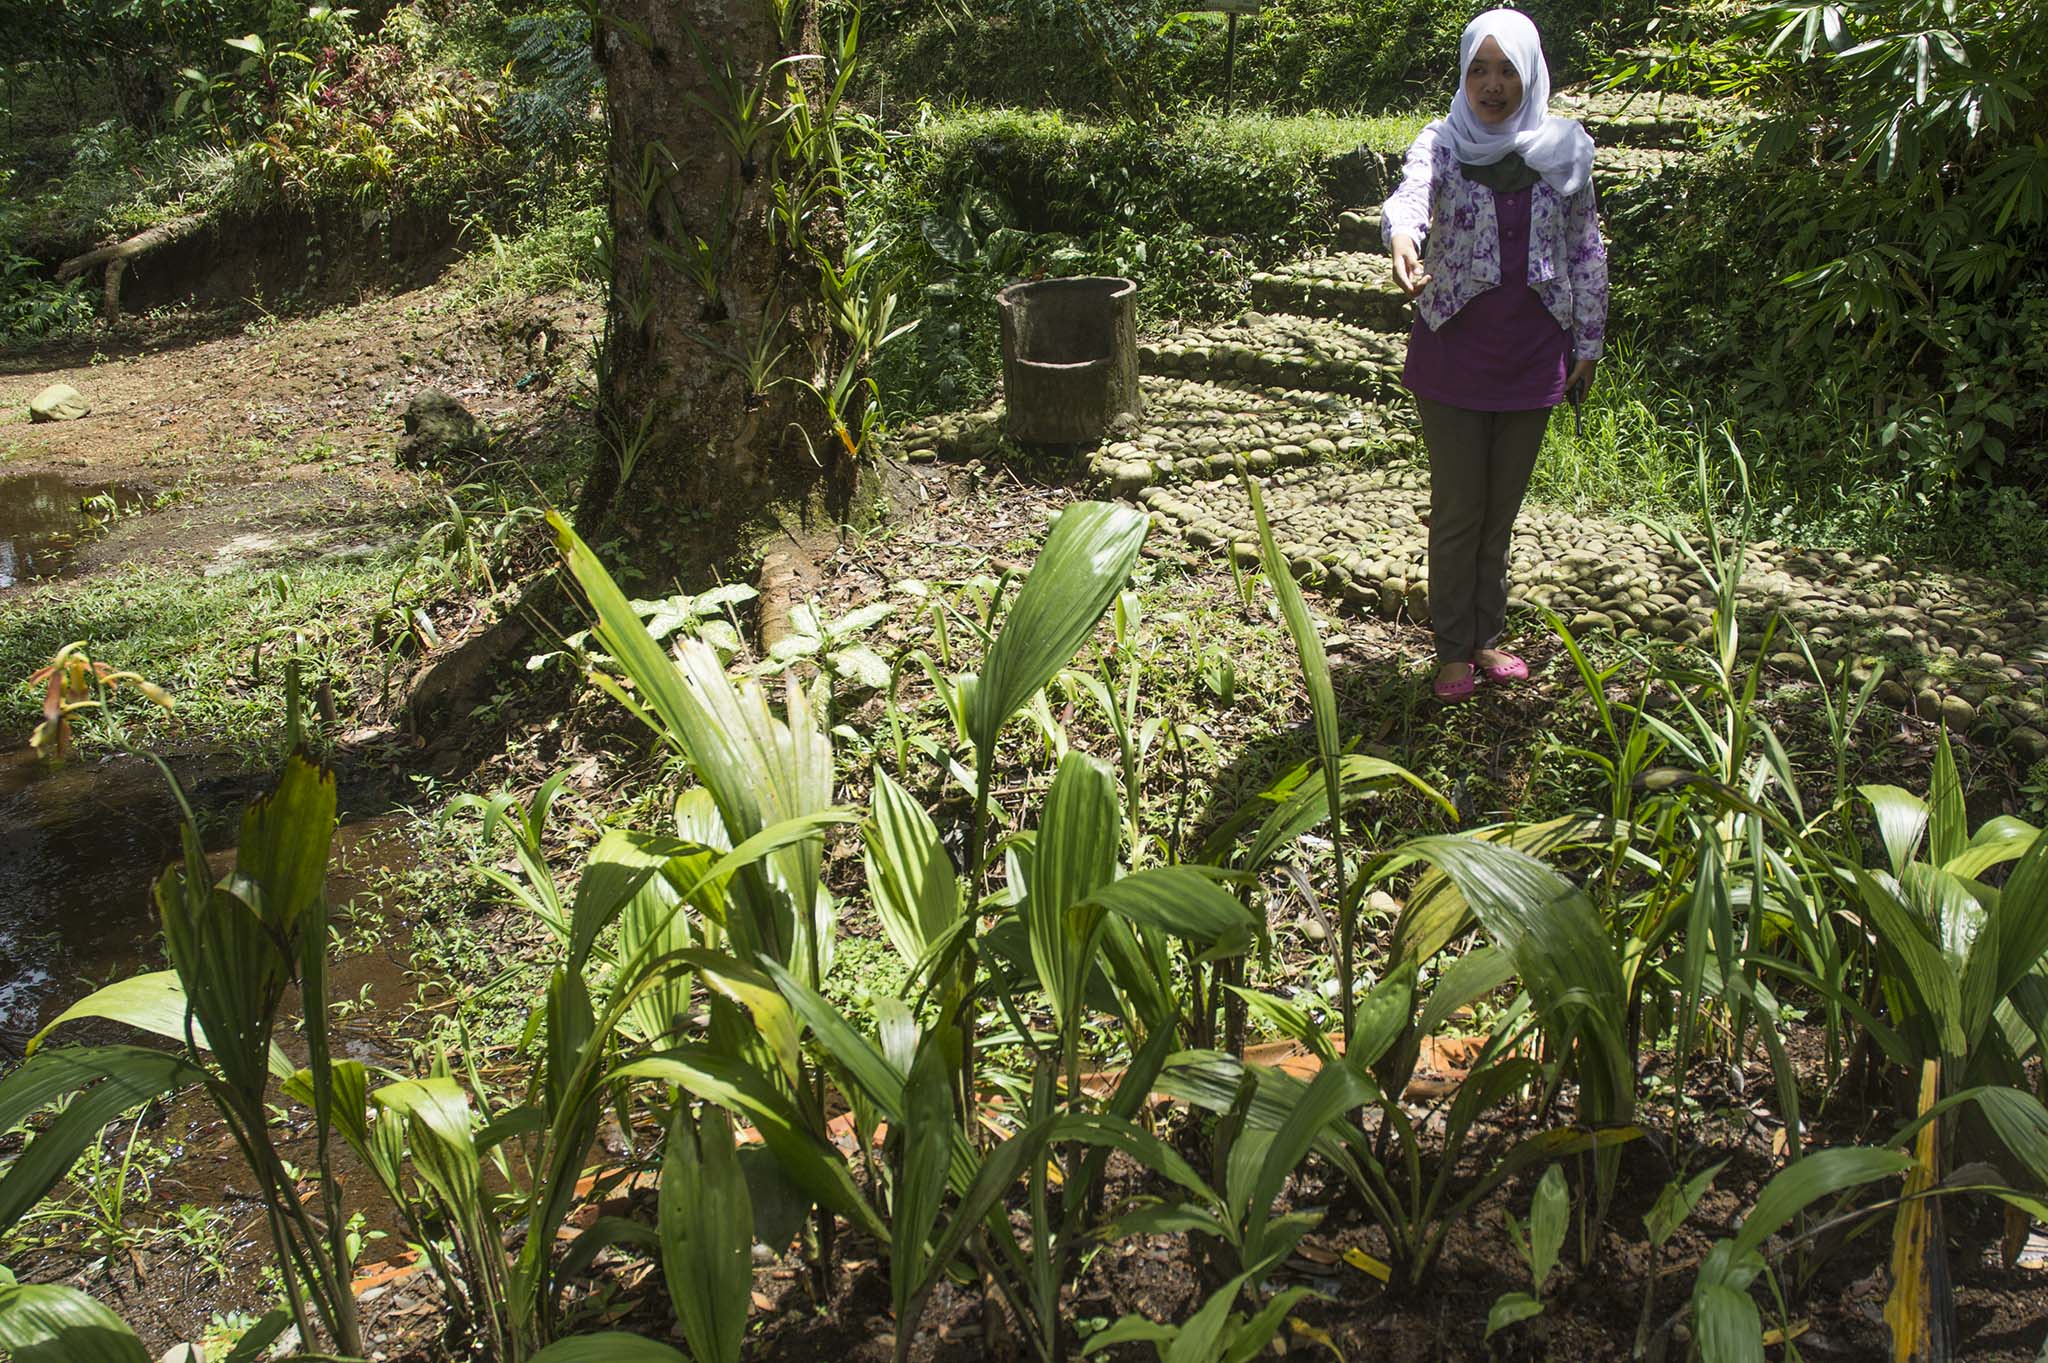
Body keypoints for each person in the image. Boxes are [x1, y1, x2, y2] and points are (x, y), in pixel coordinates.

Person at [1380, 7, 1607, 703]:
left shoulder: (1563, 151)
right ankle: (1452, 646)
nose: (1493, 84)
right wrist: (1402, 237)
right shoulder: (1444, 143)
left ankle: (1485, 635)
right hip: (1454, 350)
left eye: (1508, 69)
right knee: (1459, 510)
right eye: (1479, 68)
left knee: (1499, 514)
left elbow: (1586, 249)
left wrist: (1589, 341)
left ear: (1531, 73)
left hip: (1534, 352)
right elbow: (1412, 190)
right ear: (1462, 75)